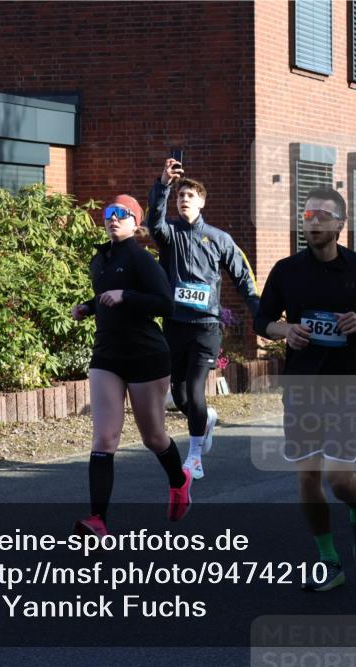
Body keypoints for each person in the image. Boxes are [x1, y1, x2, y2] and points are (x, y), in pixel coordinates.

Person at [254, 186, 356, 592]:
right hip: (302, 383)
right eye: (308, 215)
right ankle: (329, 561)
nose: (313, 221)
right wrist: (285, 330)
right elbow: (262, 320)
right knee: (307, 477)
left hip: (347, 381)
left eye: (322, 215)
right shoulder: (286, 270)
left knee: (338, 477)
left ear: (340, 224)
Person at [71, 195, 191, 536]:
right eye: (110, 212)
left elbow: (165, 304)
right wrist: (88, 307)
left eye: (122, 214)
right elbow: (105, 296)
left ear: (136, 223)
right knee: (105, 437)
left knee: (153, 436)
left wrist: (126, 296)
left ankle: (179, 480)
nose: (113, 218)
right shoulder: (101, 259)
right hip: (107, 355)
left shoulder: (141, 259)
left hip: (145, 355)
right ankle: (98, 520)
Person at [148, 158, 260, 480]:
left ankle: (194, 457)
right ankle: (206, 419)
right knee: (180, 395)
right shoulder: (169, 234)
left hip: (206, 328)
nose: (184, 199)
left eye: (190, 196)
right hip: (175, 325)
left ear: (202, 202)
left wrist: (259, 312)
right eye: (180, 196)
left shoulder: (219, 238)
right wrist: (164, 185)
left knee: (196, 391)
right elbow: (154, 220)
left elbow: (243, 276)